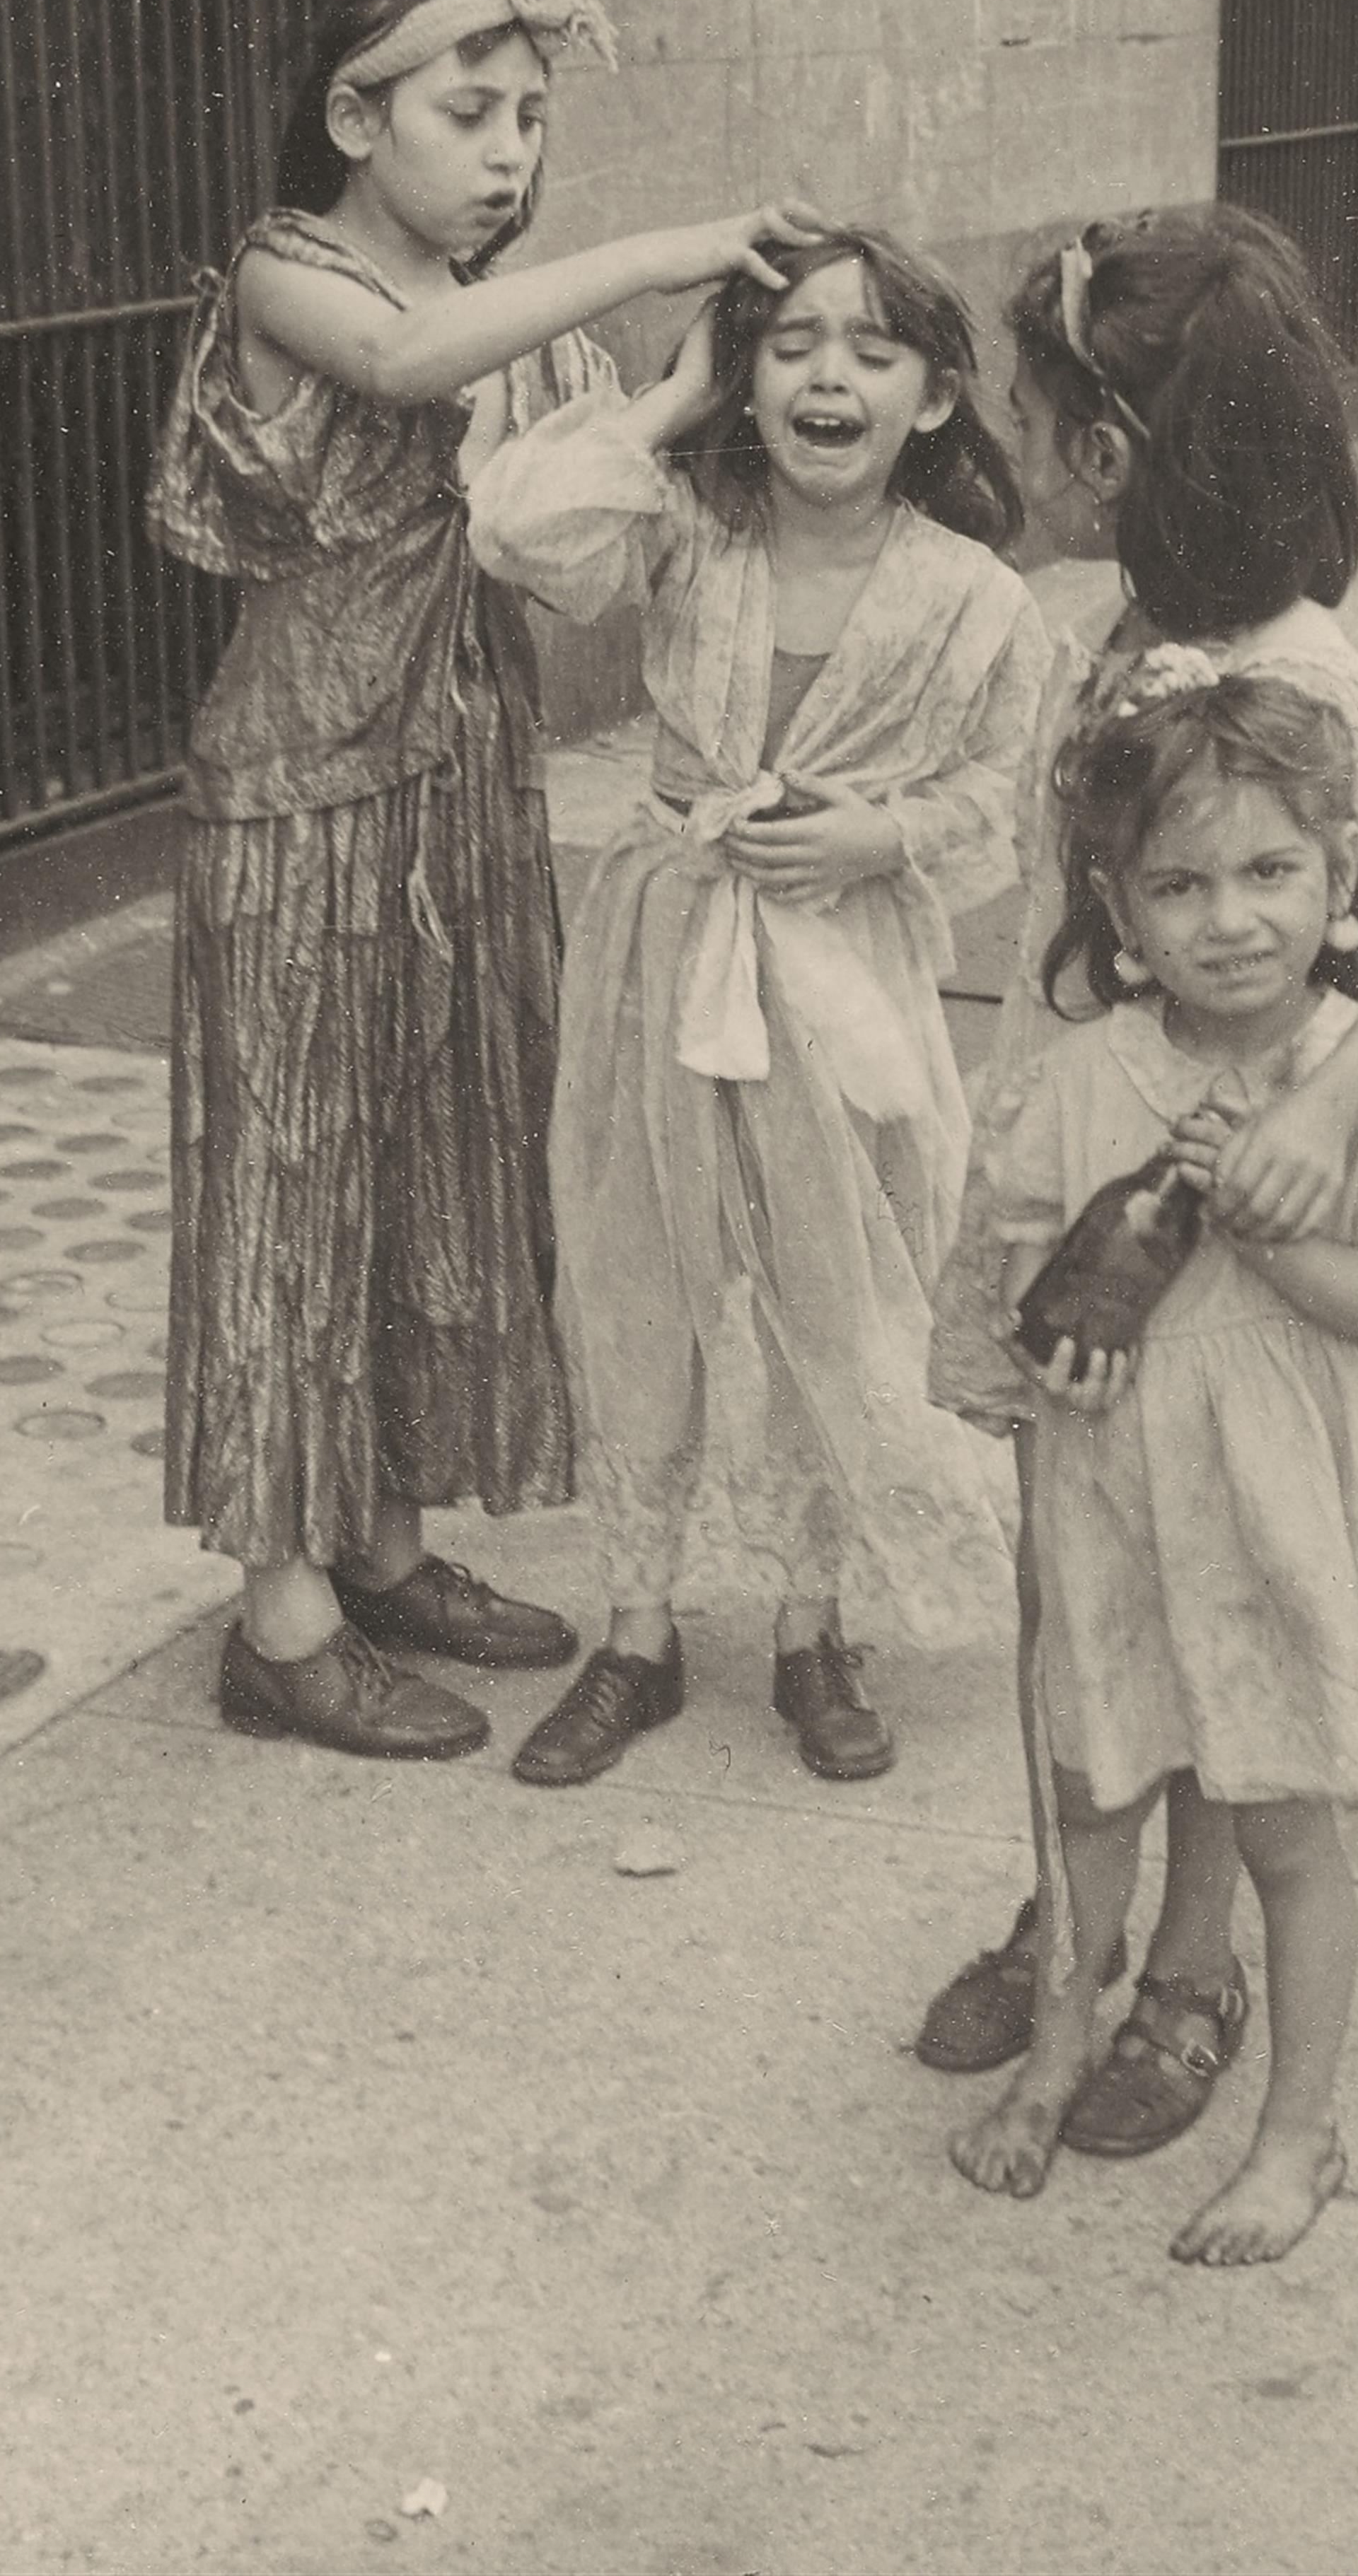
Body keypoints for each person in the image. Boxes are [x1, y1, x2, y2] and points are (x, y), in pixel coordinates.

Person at [146, 0, 819, 1761]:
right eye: (468, 112)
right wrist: (667, 248)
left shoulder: (511, 312)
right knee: (296, 1186)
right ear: (356, 118)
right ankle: (278, 1622)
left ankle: (383, 1544)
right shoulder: (299, 266)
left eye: (531, 116)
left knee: (437, 1157)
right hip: (302, 795)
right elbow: (404, 358)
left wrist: (675, 408)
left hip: (453, 780)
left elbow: (550, 532)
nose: (509, 151)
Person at [917, 207, 1358, 2163]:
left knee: (1215, 1596)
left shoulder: (1296, 670)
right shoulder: (1118, 636)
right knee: (1092, 1580)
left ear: (1109, 450)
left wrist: (1324, 1112)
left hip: (1211, 1230)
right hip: (1075, 1161)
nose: (1015, 436)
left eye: (1033, 408)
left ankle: (1188, 1966)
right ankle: (1074, 1922)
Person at [465, 226, 1052, 1787]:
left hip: (841, 974)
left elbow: (1003, 796)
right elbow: (515, 524)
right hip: (664, 951)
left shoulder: (976, 598)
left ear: (931, 399)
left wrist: (888, 834)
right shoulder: (687, 533)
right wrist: (674, 396)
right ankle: (639, 1629)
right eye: (789, 344)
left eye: (869, 350)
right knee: (638, 1271)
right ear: (745, 374)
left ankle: (809, 1624)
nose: (827, 377)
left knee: (836, 1291)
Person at [948, 665, 1358, 2264]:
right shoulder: (1074, 1071)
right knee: (1090, 1791)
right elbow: (1003, 1287)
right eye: (1175, 884)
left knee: (1286, 1832)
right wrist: (1051, 1340)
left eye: (1267, 873)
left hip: (1287, 1515)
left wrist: (1272, 1228)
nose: (1227, 918)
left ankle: (1296, 2136)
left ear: (1336, 879)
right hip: (1112, 1503)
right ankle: (1051, 2055)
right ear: (1113, 904)